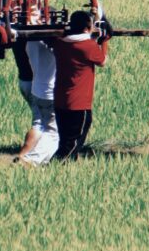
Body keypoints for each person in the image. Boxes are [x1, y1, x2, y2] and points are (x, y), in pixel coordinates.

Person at [46, 11, 109, 161]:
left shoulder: (59, 43)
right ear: (87, 28)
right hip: (79, 103)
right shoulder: (88, 46)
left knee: (64, 141)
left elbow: (53, 39)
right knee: (72, 144)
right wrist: (104, 40)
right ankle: (57, 166)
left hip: (60, 100)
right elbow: (103, 61)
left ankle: (63, 166)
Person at [17, 39, 59, 165]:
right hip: (50, 92)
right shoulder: (52, 46)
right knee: (50, 130)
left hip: (35, 89)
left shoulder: (30, 43)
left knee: (42, 124)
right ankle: (29, 158)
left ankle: (40, 159)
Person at [12, 38, 38, 158]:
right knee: (40, 122)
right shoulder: (36, 42)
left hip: (24, 81)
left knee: (40, 119)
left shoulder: (18, 36)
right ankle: (25, 153)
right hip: (36, 84)